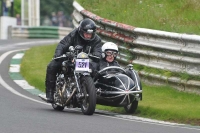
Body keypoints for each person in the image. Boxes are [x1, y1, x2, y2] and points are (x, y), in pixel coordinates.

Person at [45, 18, 102, 103]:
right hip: (70, 57)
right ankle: (49, 92)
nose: (88, 36)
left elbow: (98, 51)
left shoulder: (96, 39)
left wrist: (96, 55)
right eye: (86, 33)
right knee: (52, 66)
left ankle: (93, 91)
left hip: (87, 60)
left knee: (97, 68)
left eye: (90, 34)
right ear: (81, 31)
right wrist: (59, 54)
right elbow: (63, 44)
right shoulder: (74, 34)